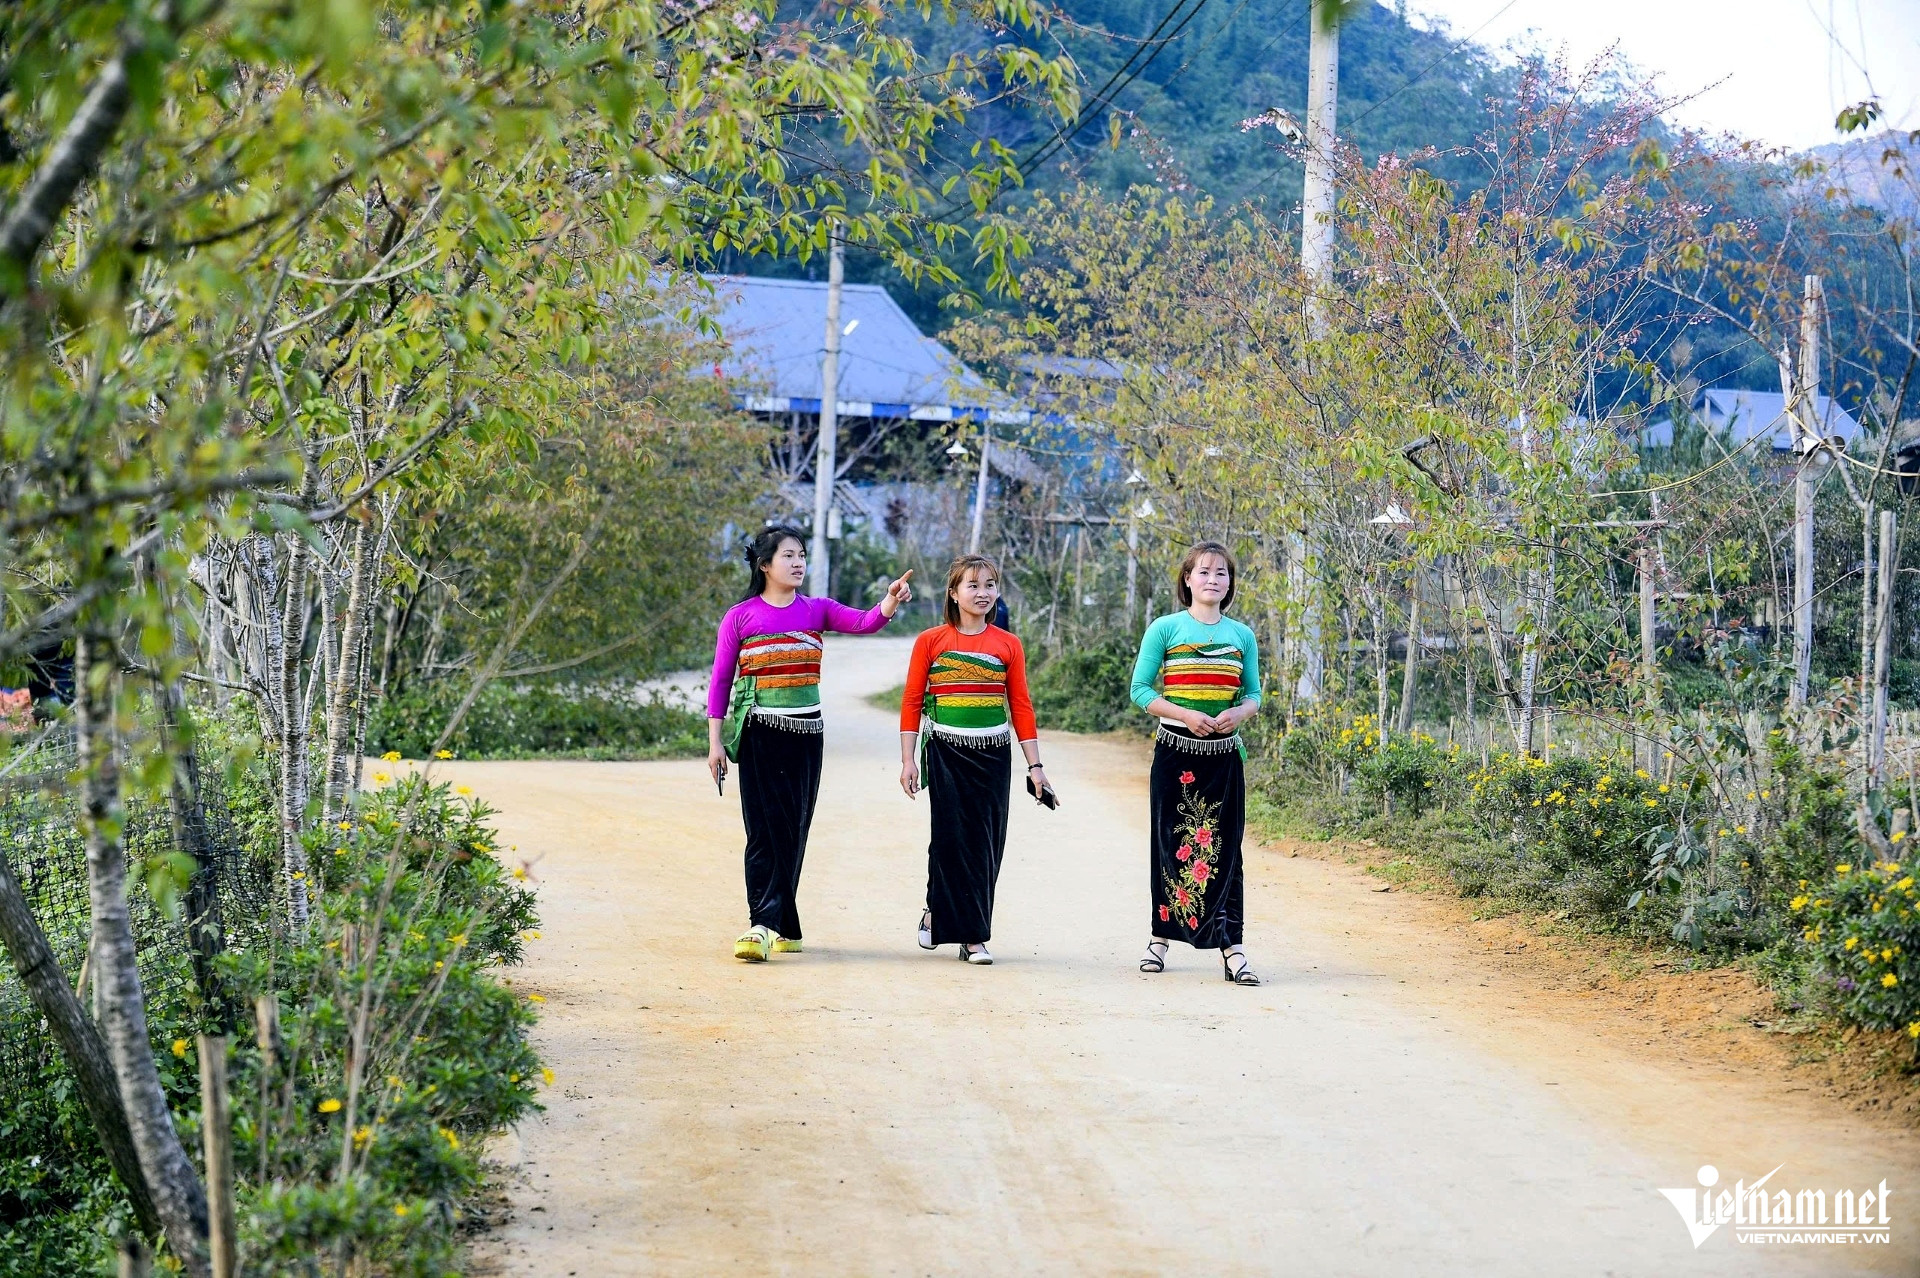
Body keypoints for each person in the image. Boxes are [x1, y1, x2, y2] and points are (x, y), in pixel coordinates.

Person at [708, 525, 914, 961]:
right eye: (788, 556)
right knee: (763, 830)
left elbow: (865, 621)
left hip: (806, 736)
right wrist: (715, 743)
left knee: (794, 827)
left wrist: (891, 600)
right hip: (760, 733)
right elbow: (721, 682)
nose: (798, 562)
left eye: (801, 555)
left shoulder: (817, 610)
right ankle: (761, 924)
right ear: (765, 565)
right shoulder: (740, 617)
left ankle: (785, 924)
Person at [898, 555, 1054, 965]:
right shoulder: (930, 641)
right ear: (953, 593)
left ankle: (970, 933)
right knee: (949, 839)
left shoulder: (1008, 644)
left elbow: (1020, 706)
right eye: (972, 585)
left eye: (989, 585)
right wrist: (908, 760)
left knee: (984, 843)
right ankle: (950, 922)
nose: (983, 593)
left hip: (993, 756)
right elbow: (912, 701)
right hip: (945, 752)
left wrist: (1035, 767)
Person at [1128, 541, 1263, 985]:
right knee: (1169, 845)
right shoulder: (1165, 629)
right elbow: (1140, 690)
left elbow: (1253, 694)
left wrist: (1239, 713)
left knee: (1227, 851)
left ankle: (1233, 948)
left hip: (1224, 761)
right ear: (1187, 580)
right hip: (1175, 755)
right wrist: (1185, 715)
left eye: (1221, 573)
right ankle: (1159, 939)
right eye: (1203, 572)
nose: (1212, 580)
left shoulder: (1242, 635)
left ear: (1230, 583)